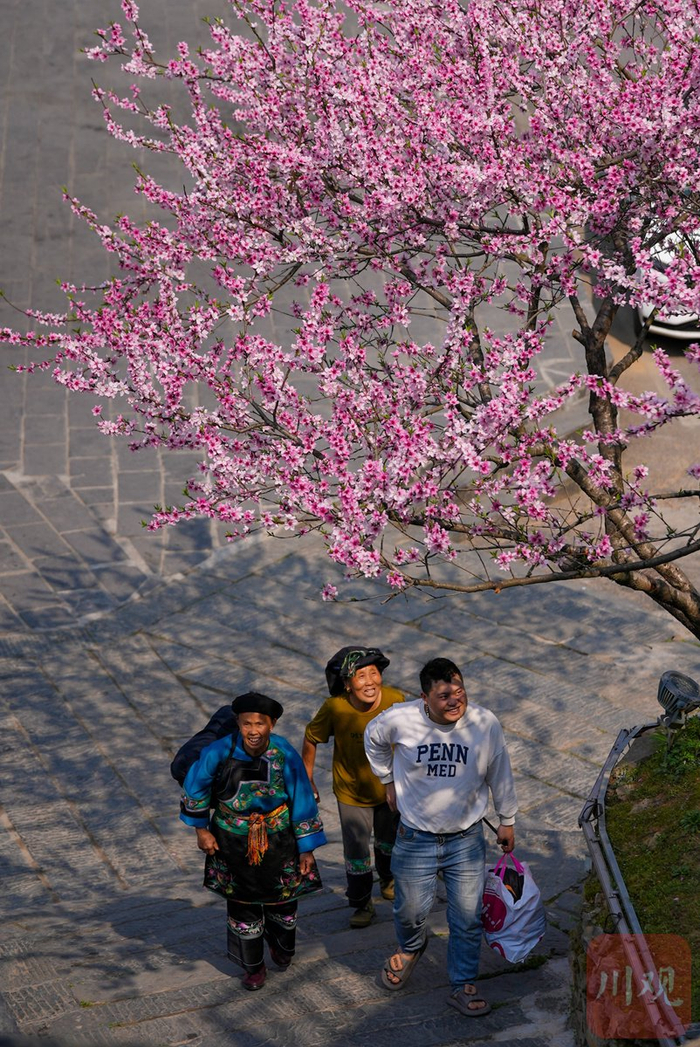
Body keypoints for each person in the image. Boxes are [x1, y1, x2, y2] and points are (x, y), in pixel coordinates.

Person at [364, 657, 517, 1017]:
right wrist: (387, 779)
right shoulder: (400, 719)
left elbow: (500, 770)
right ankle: (411, 946)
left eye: (459, 692)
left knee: (467, 918)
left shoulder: (484, 723)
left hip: (466, 840)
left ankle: (463, 983)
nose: (454, 701)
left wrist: (507, 819)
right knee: (409, 911)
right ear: (425, 698)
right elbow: (373, 738)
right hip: (415, 837)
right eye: (444, 696)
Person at [180, 691, 326, 991]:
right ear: (238, 723)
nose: (253, 731)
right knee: (242, 905)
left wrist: (306, 849)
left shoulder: (284, 753)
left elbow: (301, 797)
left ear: (272, 724)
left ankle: (280, 945)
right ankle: (253, 966)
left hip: (279, 838)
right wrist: (201, 831)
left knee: (284, 902)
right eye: (247, 724)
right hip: (231, 840)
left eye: (260, 724)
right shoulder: (218, 752)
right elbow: (195, 788)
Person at [302, 646, 404, 928]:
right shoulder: (335, 708)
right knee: (357, 852)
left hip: (389, 789)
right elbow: (311, 737)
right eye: (361, 676)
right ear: (347, 684)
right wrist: (308, 777)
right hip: (351, 792)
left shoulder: (395, 700)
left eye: (374, 673)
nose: (369, 682)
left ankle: (388, 879)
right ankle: (361, 902)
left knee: (389, 842)